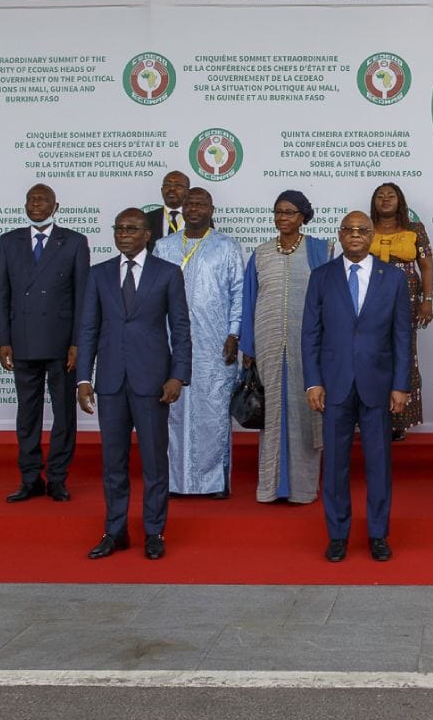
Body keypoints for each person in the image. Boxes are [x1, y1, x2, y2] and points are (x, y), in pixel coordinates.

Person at [77, 208, 192, 561]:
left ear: (147, 234)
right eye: (119, 228)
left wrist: (177, 375)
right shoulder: (98, 274)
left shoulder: (167, 273)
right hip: (110, 382)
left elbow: (181, 329)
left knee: (155, 462)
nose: (124, 234)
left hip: (153, 382)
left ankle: (154, 532)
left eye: (131, 229)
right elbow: (88, 329)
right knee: (113, 462)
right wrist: (83, 378)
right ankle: (115, 531)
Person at [302, 211, 411, 563]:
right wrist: (313, 381)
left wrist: (400, 385)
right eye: (348, 230)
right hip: (334, 384)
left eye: (362, 230)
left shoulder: (392, 278)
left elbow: (402, 336)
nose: (354, 235)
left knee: (379, 464)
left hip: (377, 384)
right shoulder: (322, 276)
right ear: (340, 234)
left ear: (372, 236)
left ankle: (378, 534)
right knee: (335, 465)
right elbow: (310, 334)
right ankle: (337, 535)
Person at [0, 182, 90, 504]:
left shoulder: (74, 242)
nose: (35, 203)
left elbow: (82, 297)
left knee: (64, 414)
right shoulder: (9, 241)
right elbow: (3, 293)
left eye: (42, 199)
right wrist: (3, 340)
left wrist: (77, 343)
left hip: (61, 344)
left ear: (55, 206)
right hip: (22, 339)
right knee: (27, 414)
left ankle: (58, 478)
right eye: (31, 199)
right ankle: (30, 478)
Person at [238, 189, 336, 504]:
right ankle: (270, 487)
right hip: (267, 342)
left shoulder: (321, 250)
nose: (282, 218)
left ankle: (303, 489)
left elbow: (331, 300)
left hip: (307, 343)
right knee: (271, 413)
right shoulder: (261, 253)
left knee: (307, 411)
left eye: (289, 212)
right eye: (278, 212)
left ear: (303, 216)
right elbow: (249, 300)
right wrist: (248, 346)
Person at [153, 187, 244, 499]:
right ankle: (175, 481)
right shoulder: (164, 247)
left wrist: (234, 333)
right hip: (170, 342)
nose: (194, 209)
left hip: (214, 345)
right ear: (181, 208)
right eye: (189, 204)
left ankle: (214, 482)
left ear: (211, 210)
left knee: (213, 412)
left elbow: (238, 294)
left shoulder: (227, 246)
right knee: (174, 411)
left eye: (200, 204)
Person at [368, 182, 433, 440]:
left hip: (406, 304)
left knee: (404, 355)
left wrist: (427, 300)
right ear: (374, 202)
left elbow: (426, 267)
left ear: (400, 201)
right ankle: (374, 417)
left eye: (391, 196)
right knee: (372, 355)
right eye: (380, 196)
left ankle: (399, 421)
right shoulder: (365, 228)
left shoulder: (415, 229)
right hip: (370, 304)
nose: (385, 199)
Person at [145, 170, 190, 248]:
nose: (172, 188)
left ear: (187, 192)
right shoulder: (147, 219)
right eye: (167, 185)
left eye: (178, 186)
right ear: (162, 190)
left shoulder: (200, 220)